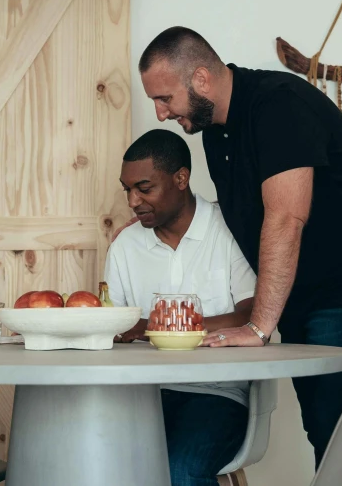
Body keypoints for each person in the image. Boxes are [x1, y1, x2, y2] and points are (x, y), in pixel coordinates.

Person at [135, 26, 342, 467]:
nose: (160, 113)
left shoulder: (279, 103)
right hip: (304, 290)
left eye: (165, 98)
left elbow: (286, 217)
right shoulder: (214, 132)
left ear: (202, 80)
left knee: (339, 427)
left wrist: (259, 328)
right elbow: (244, 212)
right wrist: (145, 223)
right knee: (322, 426)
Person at [105, 129, 257, 486]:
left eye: (144, 188)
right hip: (140, 394)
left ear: (181, 179)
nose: (132, 201)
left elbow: (250, 315)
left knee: (179, 471)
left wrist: (153, 326)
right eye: (127, 190)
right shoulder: (125, 246)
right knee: (88, 460)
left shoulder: (228, 229)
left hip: (217, 392)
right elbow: (115, 327)